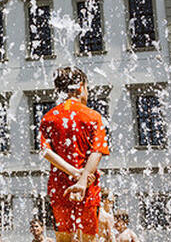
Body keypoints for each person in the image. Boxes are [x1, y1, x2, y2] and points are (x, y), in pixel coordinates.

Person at [39, 67, 109, 242]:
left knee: (63, 237)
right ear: (80, 87)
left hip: (59, 187)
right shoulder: (93, 116)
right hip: (88, 188)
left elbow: (45, 151)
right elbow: (97, 151)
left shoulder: (49, 117)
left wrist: (73, 172)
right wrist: (83, 179)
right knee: (88, 237)